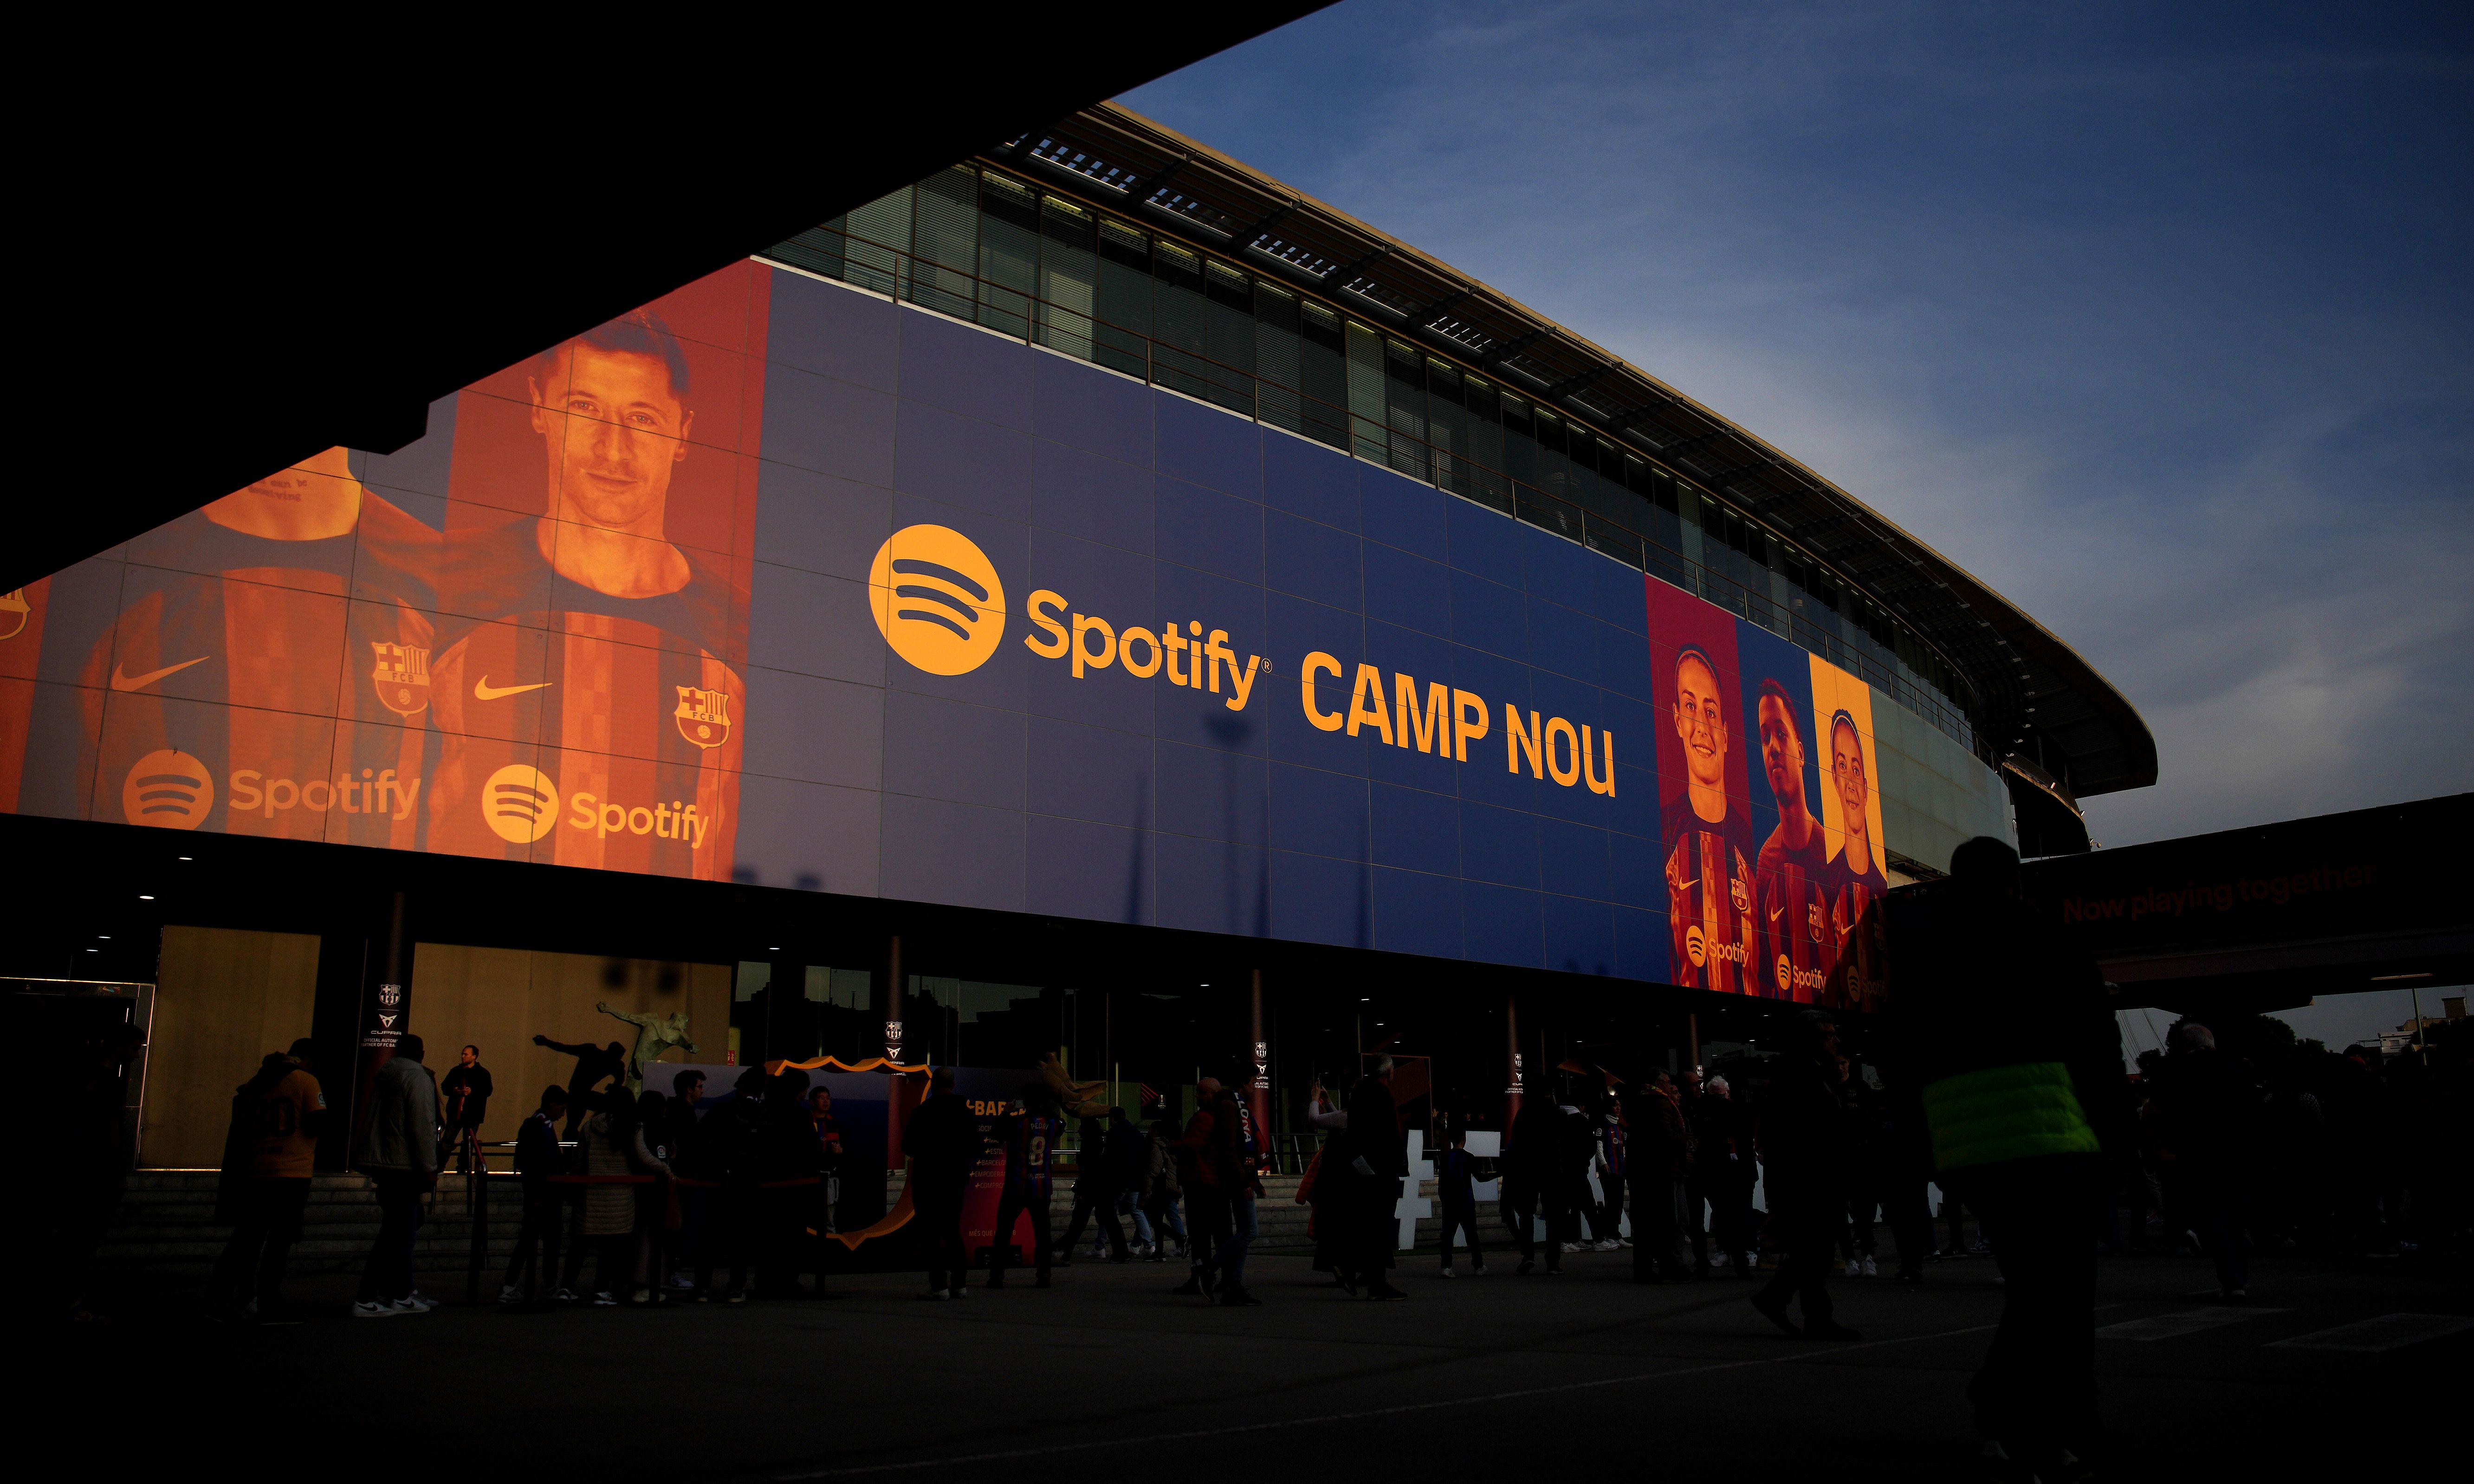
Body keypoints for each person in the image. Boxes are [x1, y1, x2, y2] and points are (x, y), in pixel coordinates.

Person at [426, 310, 747, 879]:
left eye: (641, 418)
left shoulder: (738, 630)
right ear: (538, 407)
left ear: (683, 431)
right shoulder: (443, 580)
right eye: (583, 408)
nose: (613, 450)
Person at [1883, 834, 2136, 1475]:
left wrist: (1927, 1144)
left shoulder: (1923, 952)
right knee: (2061, 1291)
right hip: (2049, 1129)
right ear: (2014, 881)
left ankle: (2008, 1405)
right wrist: (2117, 1136)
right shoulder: (2045, 939)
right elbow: (2096, 1045)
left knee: (2034, 1285)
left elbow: (1901, 1056)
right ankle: (2057, 1417)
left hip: (1969, 1140)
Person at [1749, 1013, 1860, 1341]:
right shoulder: (1798, 1074)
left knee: (1815, 1249)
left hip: (1813, 1176)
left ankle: (1800, 1308)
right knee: (1815, 1247)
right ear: (1810, 1039)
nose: (1835, 1041)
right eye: (1828, 1035)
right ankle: (1791, 1304)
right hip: (1808, 1179)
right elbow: (1798, 1133)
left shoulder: (1812, 1072)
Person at [1664, 645, 1758, 995]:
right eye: (1690, 707)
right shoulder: (1663, 834)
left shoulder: (1752, 848)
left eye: (1711, 711)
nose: (1702, 726)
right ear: (1676, 720)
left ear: (1727, 733)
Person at [212, 1038, 326, 1323]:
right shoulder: (306, 1081)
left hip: (257, 1169)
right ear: (308, 1060)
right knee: (279, 1244)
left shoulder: (256, 1083)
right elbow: (315, 1123)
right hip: (293, 1172)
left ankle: (222, 1299)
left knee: (246, 1240)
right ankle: (269, 1304)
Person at [2147, 1022, 2255, 1298]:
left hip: (2198, 1152)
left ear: (2185, 1045)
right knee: (2234, 1217)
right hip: (2235, 1151)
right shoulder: (2236, 1068)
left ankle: (2231, 1278)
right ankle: (2239, 1276)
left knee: (2212, 1213)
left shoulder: (2178, 1071)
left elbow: (2166, 1112)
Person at [1753, 678, 1835, 1002]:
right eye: (1764, 738)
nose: (1772, 746)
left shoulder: (1831, 853)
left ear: (1801, 752)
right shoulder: (1766, 862)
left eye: (1780, 733)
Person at [352, 1033, 440, 1318]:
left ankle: (397, 1293)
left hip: (386, 1161)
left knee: (397, 1231)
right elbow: (422, 1124)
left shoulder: (385, 1076)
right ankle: (370, 1297)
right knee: (396, 1234)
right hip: (405, 1166)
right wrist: (429, 1166)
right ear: (421, 1054)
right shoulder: (416, 1077)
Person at [1823, 711, 1892, 1014]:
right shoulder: (1825, 884)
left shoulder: (1882, 892)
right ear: (1834, 780)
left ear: (1865, 785)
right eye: (1841, 766)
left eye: (1855, 769)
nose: (1850, 782)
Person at [902, 1068, 980, 1300]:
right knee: (952, 1231)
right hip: (955, 1180)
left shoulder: (922, 1113)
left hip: (928, 1180)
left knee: (930, 1233)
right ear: (954, 1085)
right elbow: (976, 1146)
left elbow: (907, 1147)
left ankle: (939, 1285)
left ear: (933, 1085)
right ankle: (960, 1284)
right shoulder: (965, 1114)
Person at [1342, 1060, 1408, 1301]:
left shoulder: (1359, 1093)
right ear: (1389, 1073)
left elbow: (1353, 1132)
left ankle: (1351, 1269)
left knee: (1366, 1223)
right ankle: (1377, 1283)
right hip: (1381, 1169)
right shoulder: (1382, 1094)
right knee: (1380, 1226)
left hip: (1361, 1167)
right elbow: (1390, 1133)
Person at [499, 1085, 569, 1305]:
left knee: (533, 1240)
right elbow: (543, 1161)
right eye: (562, 1107)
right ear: (552, 1104)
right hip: (545, 1192)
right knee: (542, 1240)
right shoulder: (541, 1127)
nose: (563, 1113)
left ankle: (514, 1286)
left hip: (540, 1191)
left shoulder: (537, 1124)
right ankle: (538, 1286)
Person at [988, 1082, 1061, 1289]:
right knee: (1043, 1233)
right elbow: (1060, 1124)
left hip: (1016, 1186)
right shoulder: (1055, 1123)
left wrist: (1006, 1112)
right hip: (1042, 1186)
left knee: (1003, 1231)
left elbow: (996, 1134)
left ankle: (997, 1275)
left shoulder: (1017, 1123)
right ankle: (1044, 1274)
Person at [1627, 1073, 1694, 1283]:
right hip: (1665, 1170)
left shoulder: (1641, 1102)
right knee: (1671, 1220)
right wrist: (1686, 1140)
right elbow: (1665, 1136)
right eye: (1670, 1084)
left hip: (1648, 1170)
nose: (1674, 1089)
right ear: (1659, 1083)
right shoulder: (1661, 1104)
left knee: (1650, 1221)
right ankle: (1670, 1266)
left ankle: (1650, 1267)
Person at [1171, 1079, 1234, 1298]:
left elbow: (1193, 1145)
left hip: (1200, 1183)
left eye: (1201, 1093)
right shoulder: (1225, 1117)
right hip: (1218, 1184)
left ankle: (1202, 1276)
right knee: (1222, 1234)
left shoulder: (1203, 1119)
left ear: (1212, 1095)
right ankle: (1227, 1278)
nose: (1196, 1096)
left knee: (1200, 1235)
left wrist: (1172, 1145)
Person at [1695, 1075, 1754, 1275]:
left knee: (1725, 1214)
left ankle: (1730, 1255)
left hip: (1718, 1171)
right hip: (1728, 1171)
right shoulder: (1733, 1111)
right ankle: (1740, 1259)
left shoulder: (1704, 1111)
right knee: (1732, 1215)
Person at [1503, 1093, 1564, 1275]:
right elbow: (1564, 1142)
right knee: (1553, 1217)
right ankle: (1553, 1261)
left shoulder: (1524, 1113)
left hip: (1528, 1170)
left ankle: (1528, 1255)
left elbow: (1516, 1141)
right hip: (1551, 1170)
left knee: (1526, 1214)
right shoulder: (1557, 1114)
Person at [1057, 1114, 1130, 1264]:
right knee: (1110, 1220)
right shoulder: (1105, 1141)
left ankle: (1065, 1252)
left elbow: (1089, 1169)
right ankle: (1121, 1253)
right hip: (1106, 1187)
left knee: (1079, 1222)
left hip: (1091, 1188)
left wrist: (1081, 1191)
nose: (1078, 1131)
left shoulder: (1090, 1144)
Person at [533, 1036, 628, 1136]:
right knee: (573, 1125)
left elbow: (620, 1079)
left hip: (582, 1094)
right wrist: (546, 1042)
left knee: (608, 1107)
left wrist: (613, 1087)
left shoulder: (612, 1063)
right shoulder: (591, 1052)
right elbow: (566, 1048)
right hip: (577, 1094)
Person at [1436, 1122, 1487, 1278]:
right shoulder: (1469, 1157)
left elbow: (1441, 1184)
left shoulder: (1445, 1158)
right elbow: (1480, 1177)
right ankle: (1478, 1266)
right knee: (1472, 1235)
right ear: (1464, 1139)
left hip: (1450, 1200)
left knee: (1448, 1235)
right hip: (1466, 1200)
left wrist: (1444, 1199)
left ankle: (1446, 1266)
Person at [1140, 1112, 1186, 1262]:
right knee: (1158, 1219)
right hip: (1169, 1187)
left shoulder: (1156, 1147)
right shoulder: (1170, 1146)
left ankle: (1181, 1239)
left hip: (1160, 1188)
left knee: (1156, 1221)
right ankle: (1160, 1251)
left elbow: (1153, 1170)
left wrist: (1146, 1191)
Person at [440, 1044, 493, 1174]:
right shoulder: (456, 1071)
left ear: (474, 1057)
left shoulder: (482, 1074)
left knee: (467, 1144)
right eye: (463, 1054)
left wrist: (472, 1092)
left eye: (466, 1054)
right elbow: (445, 1087)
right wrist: (455, 1090)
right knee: (447, 1140)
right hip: (456, 1113)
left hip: (472, 1115)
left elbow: (488, 1090)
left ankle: (462, 1168)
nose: (463, 1056)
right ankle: (439, 1166)